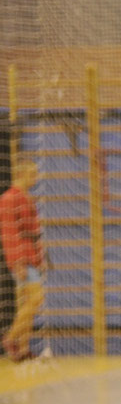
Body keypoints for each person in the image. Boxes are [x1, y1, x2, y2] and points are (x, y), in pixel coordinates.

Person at [0, 153, 46, 362]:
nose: (35, 178)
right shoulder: (9, 199)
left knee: (27, 304)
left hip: (31, 257)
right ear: (21, 174)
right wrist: (18, 262)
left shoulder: (27, 198)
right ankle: (11, 339)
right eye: (32, 174)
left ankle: (22, 348)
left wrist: (40, 258)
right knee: (36, 298)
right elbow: (9, 233)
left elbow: (34, 232)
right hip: (21, 258)